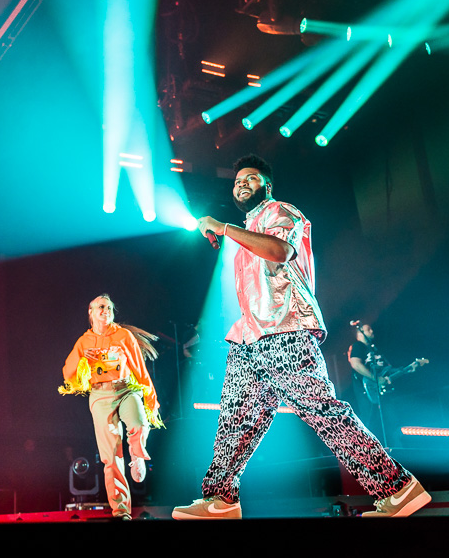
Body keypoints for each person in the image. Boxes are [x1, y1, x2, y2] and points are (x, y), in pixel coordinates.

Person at [172, 154, 430, 519]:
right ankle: (221, 500)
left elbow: (279, 251)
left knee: (322, 410)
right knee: (235, 419)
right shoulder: (250, 227)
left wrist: (225, 227)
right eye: (237, 181)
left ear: (267, 185)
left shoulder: (281, 211)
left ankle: (398, 488)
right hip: (250, 337)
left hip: (285, 330)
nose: (241, 183)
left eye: (251, 178)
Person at [60, 294, 163, 520]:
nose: (105, 310)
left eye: (109, 307)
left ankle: (137, 455)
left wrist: (151, 399)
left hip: (127, 390)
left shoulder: (124, 336)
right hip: (100, 396)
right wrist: (82, 360)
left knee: (138, 423)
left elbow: (140, 369)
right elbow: (68, 373)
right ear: (91, 312)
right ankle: (121, 512)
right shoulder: (83, 341)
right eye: (100, 307)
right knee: (111, 456)